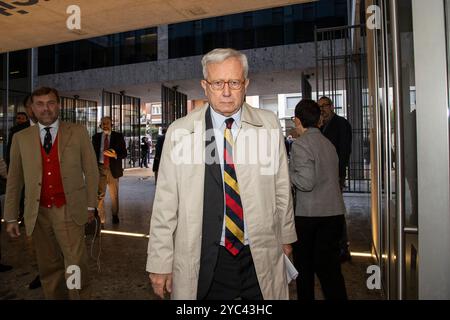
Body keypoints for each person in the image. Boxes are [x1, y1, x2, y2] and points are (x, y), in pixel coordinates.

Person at [146, 48, 296, 300]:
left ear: (245, 84)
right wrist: (160, 262)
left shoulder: (268, 124)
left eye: (234, 82)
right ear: (205, 85)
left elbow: (282, 186)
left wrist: (287, 236)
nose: (226, 91)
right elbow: (165, 204)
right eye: (217, 83)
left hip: (258, 252)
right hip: (205, 256)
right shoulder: (180, 132)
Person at [4, 86, 99, 299]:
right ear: (31, 109)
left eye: (50, 103)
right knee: (48, 266)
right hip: (38, 213)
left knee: (74, 263)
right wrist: (9, 216)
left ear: (58, 105)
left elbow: (92, 171)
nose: (45, 108)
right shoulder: (21, 138)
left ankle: (78, 296)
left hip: (69, 209)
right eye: (39, 104)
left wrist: (91, 205)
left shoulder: (78, 132)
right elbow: (14, 180)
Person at [290, 99, 348, 300]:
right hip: (334, 213)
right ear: (318, 120)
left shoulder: (300, 145)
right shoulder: (328, 144)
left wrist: (287, 173)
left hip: (310, 216)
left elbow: (305, 183)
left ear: (297, 120)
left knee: (304, 271)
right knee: (330, 271)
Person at [318, 96, 352, 263]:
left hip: (335, 175)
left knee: (337, 211)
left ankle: (342, 247)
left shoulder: (341, 124)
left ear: (332, 106)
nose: (322, 109)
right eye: (320, 106)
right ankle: (333, 244)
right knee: (330, 210)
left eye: (325, 105)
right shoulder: (322, 125)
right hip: (325, 176)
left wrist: (340, 175)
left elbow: (345, 152)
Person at [92, 116, 127, 226]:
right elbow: (92, 153)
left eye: (107, 123)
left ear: (111, 124)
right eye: (103, 123)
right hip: (100, 168)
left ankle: (115, 214)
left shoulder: (118, 136)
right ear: (100, 125)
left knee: (114, 195)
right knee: (99, 195)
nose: (105, 125)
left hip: (113, 169)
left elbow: (124, 153)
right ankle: (100, 218)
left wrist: (115, 155)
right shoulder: (96, 137)